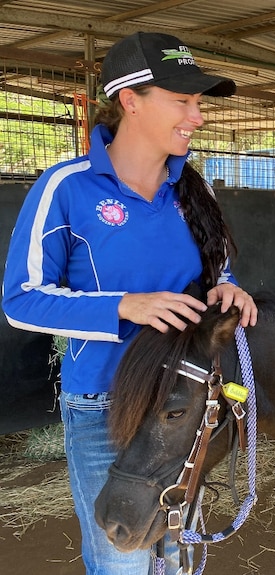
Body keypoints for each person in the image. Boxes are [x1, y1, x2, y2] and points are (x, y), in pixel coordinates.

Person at [2, 32, 258, 574]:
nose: (199, 115)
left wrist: (228, 289)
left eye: (199, 102)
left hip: (183, 407)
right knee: (122, 563)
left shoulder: (195, 192)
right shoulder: (67, 188)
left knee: (178, 557)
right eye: (183, 100)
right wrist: (125, 305)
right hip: (103, 407)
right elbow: (21, 301)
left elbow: (219, 274)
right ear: (130, 101)